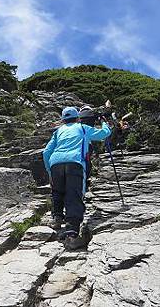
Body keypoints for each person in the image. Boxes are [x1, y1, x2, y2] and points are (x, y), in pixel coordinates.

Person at [43, 106, 111, 249]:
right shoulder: (83, 127)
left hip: (55, 162)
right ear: (78, 117)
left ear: (63, 119)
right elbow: (104, 133)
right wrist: (104, 121)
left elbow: (46, 152)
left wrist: (50, 171)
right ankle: (72, 236)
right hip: (75, 162)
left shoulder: (58, 131)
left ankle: (57, 218)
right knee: (73, 195)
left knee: (57, 191)